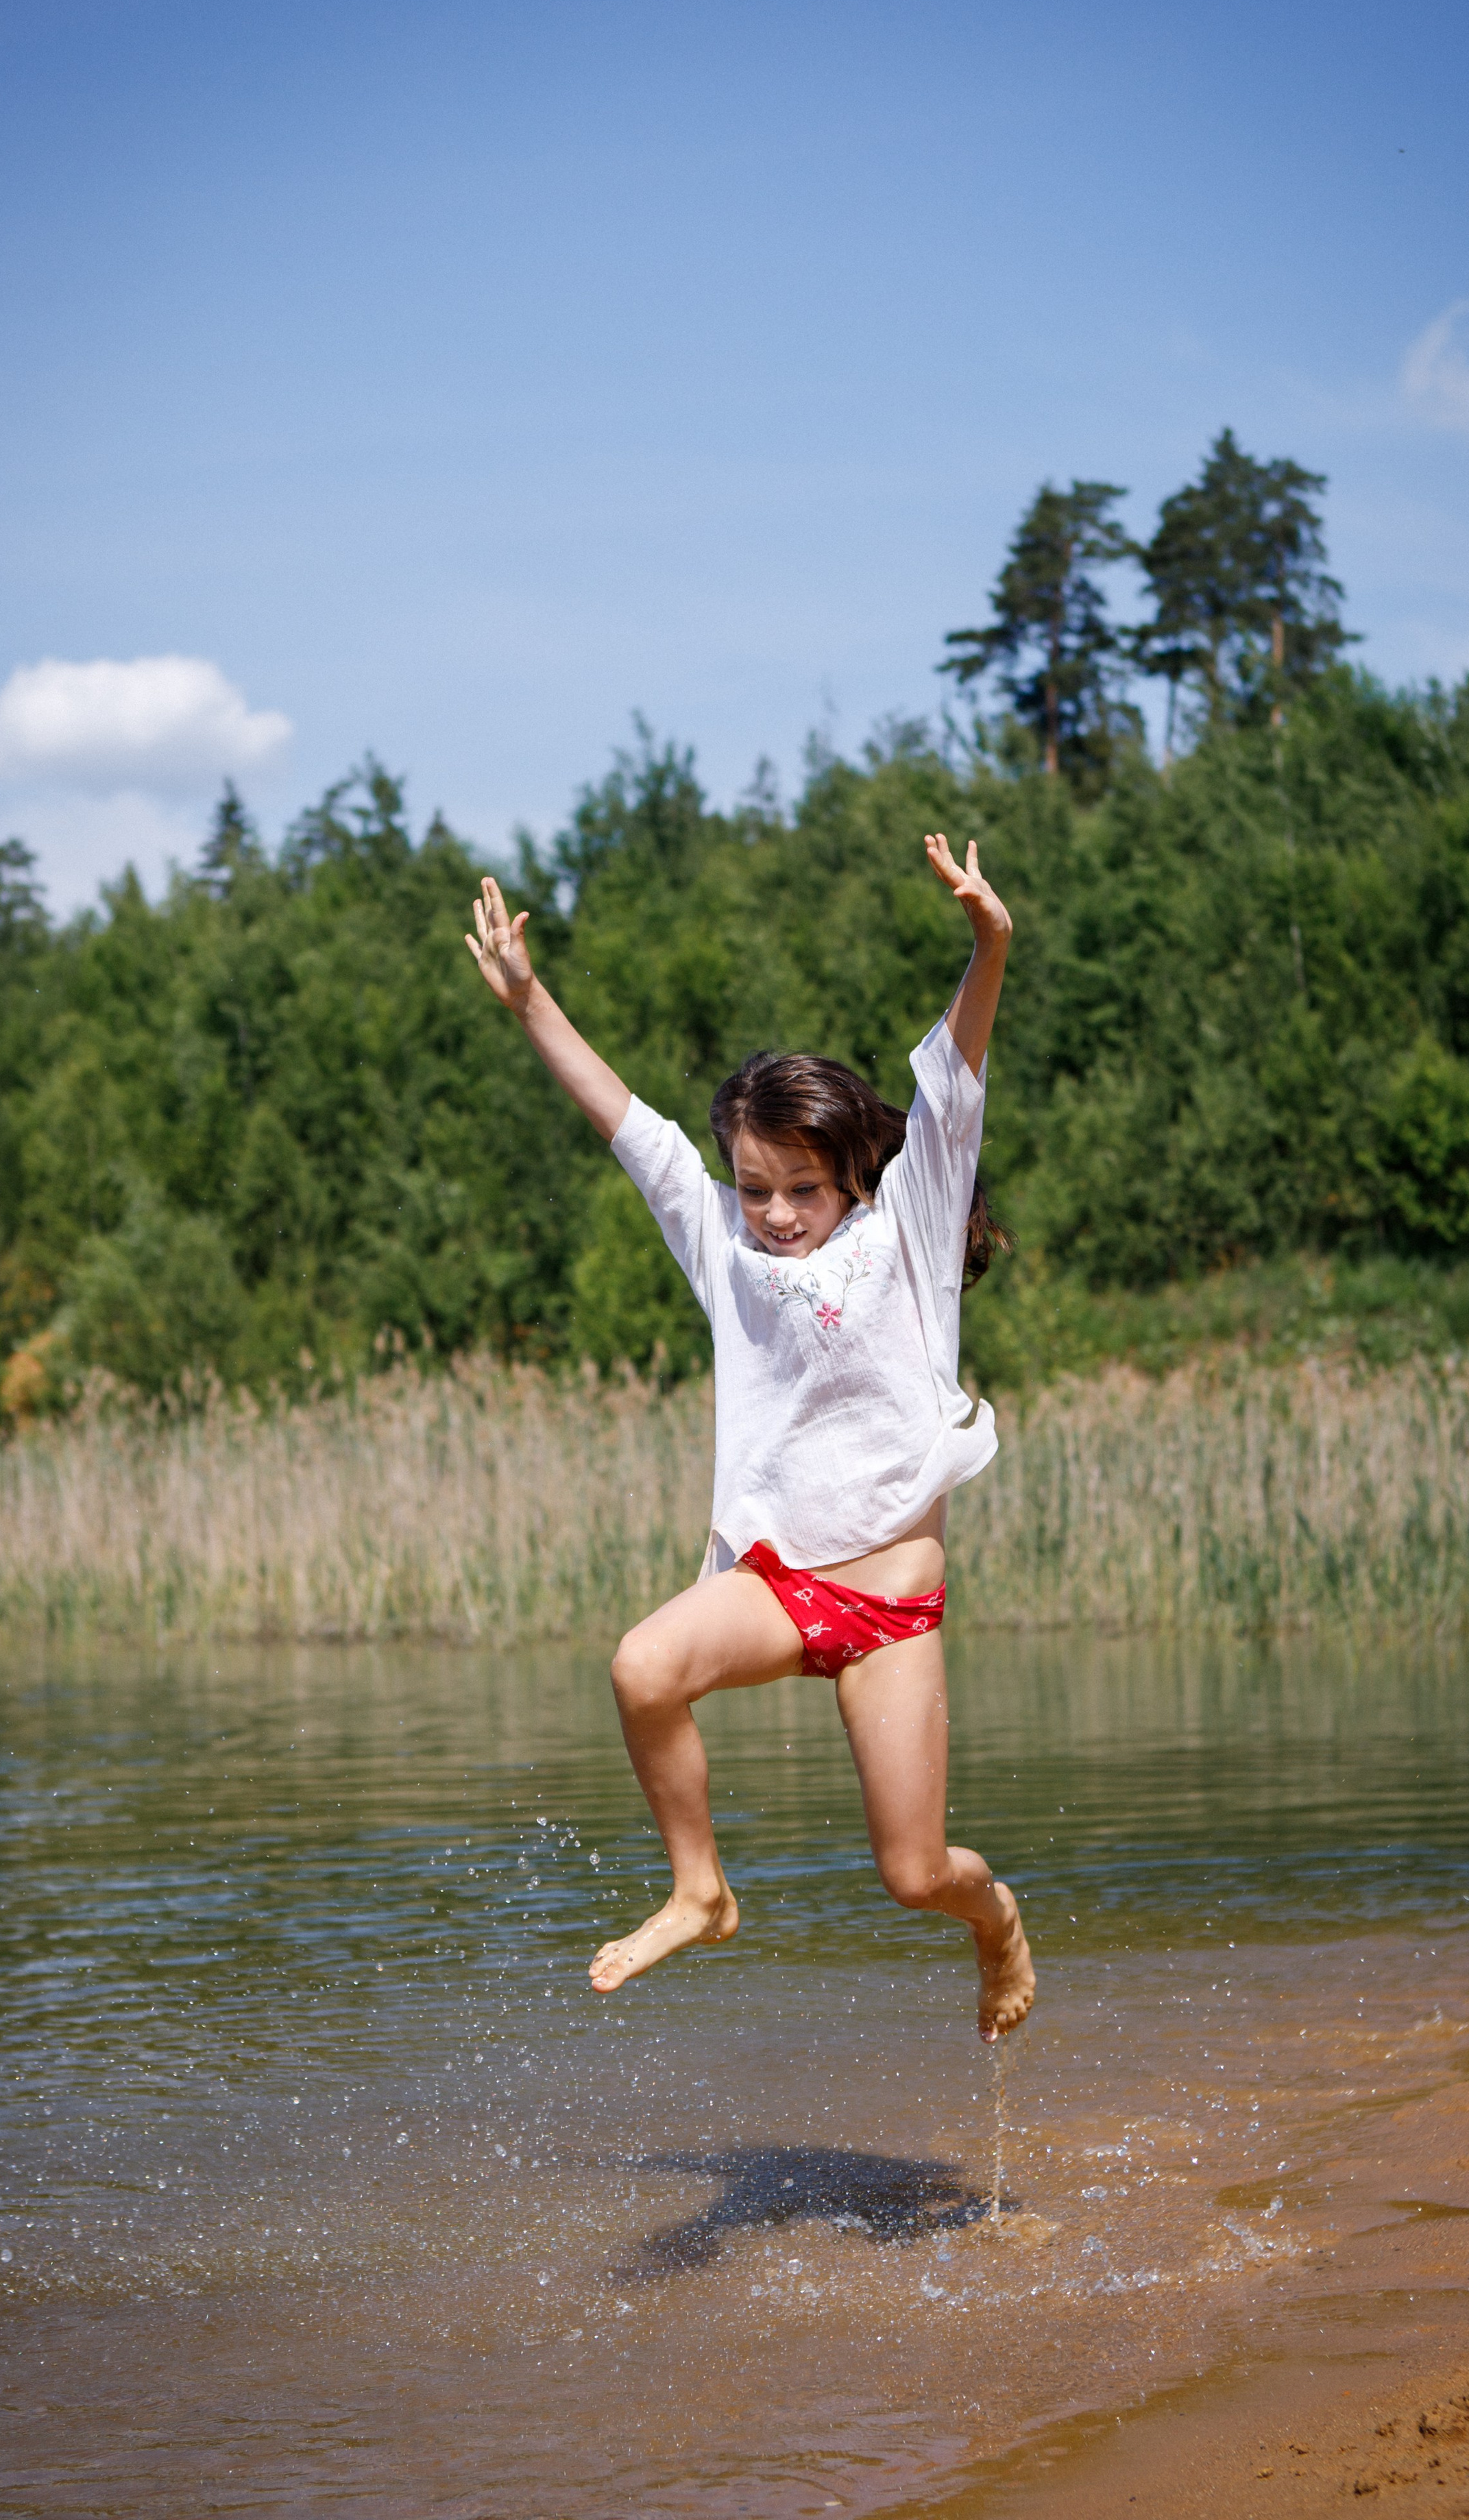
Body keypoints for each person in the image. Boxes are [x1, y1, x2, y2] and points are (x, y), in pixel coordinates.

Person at [464, 833, 1035, 2042]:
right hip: (775, 1586)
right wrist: (531, 1000)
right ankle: (698, 1888)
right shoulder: (718, 1237)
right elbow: (628, 1122)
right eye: (755, 1186)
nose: (774, 1214)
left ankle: (997, 1925)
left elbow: (957, 1080)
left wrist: (989, 945)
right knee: (641, 1668)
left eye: (802, 1190)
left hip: (887, 1604)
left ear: (853, 1179)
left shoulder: (910, 1228)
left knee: (915, 1875)